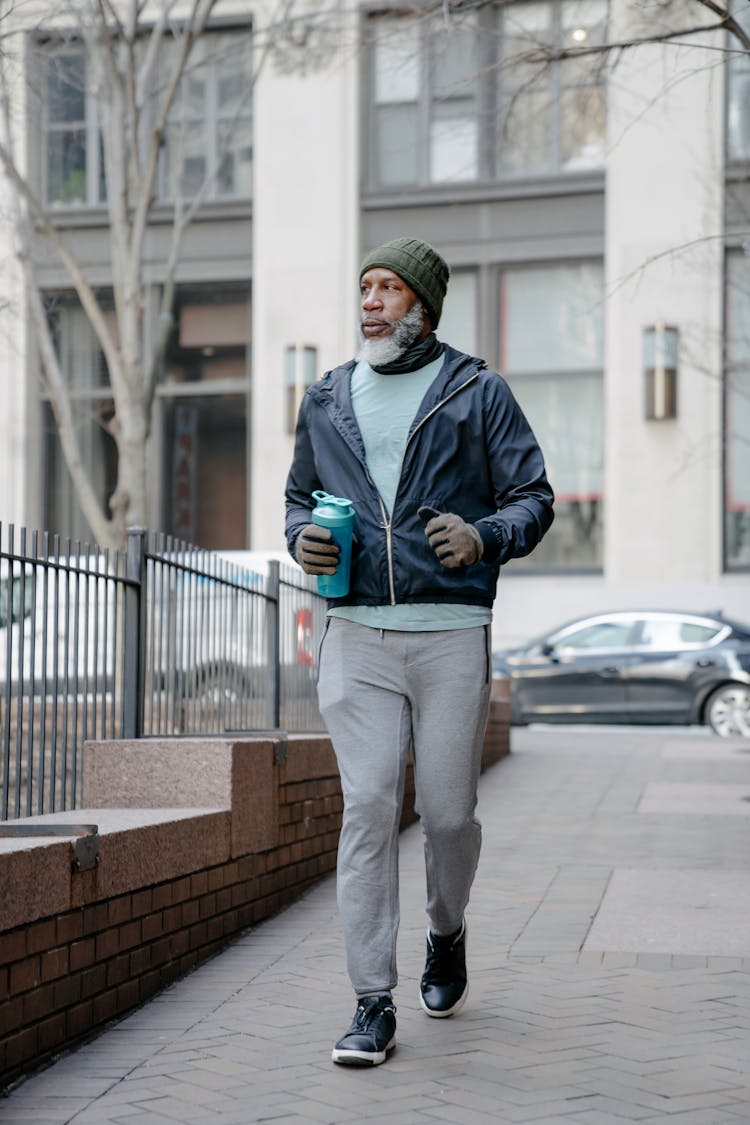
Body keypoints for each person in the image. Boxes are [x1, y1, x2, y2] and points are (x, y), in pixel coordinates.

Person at [285, 237, 554, 1067]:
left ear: (423, 308)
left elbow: (533, 498)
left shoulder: (478, 391)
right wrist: (304, 541)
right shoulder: (327, 396)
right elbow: (299, 500)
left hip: (448, 632)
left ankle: (447, 929)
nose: (369, 300)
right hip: (356, 631)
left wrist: (483, 535)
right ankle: (372, 1000)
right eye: (363, 286)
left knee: (446, 814)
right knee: (367, 808)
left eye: (388, 288)